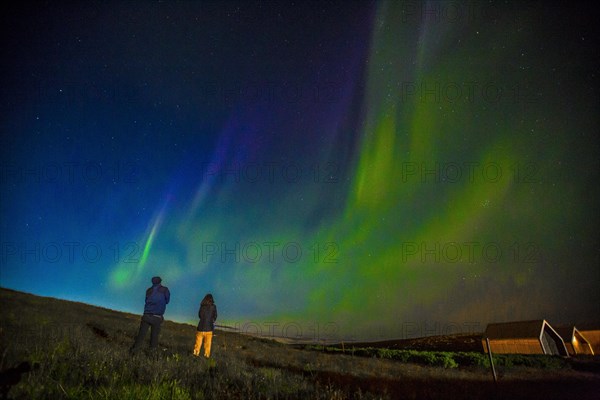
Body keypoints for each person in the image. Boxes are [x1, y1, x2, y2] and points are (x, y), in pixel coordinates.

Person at [130, 276, 170, 354]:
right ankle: (151, 355)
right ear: (160, 281)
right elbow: (167, 301)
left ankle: (133, 352)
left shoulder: (148, 290)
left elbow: (146, 300)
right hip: (157, 317)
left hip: (146, 315)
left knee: (140, 336)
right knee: (154, 338)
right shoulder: (165, 290)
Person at [193, 293, 217, 358]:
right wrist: (212, 320)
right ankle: (206, 357)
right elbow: (215, 316)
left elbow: (199, 315)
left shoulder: (202, 306)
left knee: (197, 345)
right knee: (207, 346)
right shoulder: (213, 307)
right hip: (209, 329)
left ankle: (195, 355)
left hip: (200, 328)